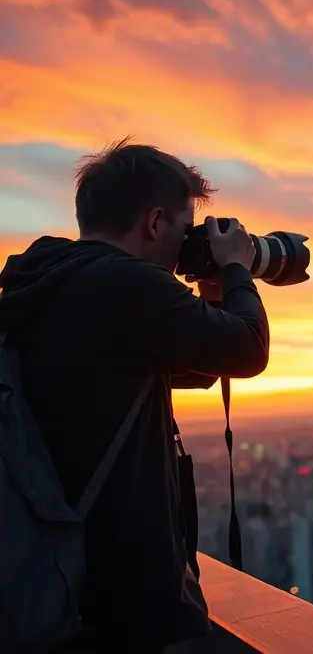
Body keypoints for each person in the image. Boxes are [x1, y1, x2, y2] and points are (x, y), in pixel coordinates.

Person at [0, 139, 270, 652]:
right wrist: (237, 267)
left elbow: (195, 368)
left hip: (57, 576)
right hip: (126, 601)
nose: (188, 241)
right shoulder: (125, 285)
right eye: (185, 227)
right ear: (153, 223)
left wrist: (211, 290)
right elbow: (247, 350)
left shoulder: (47, 286)